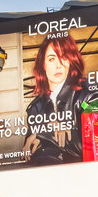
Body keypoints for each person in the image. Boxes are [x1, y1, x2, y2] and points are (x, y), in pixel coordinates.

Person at [24, 35, 88, 165]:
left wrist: (45, 133)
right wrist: (30, 148)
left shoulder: (86, 96)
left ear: (71, 61)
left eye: (64, 57)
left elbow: (93, 146)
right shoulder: (35, 107)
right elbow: (32, 147)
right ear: (43, 64)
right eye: (52, 59)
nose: (58, 65)